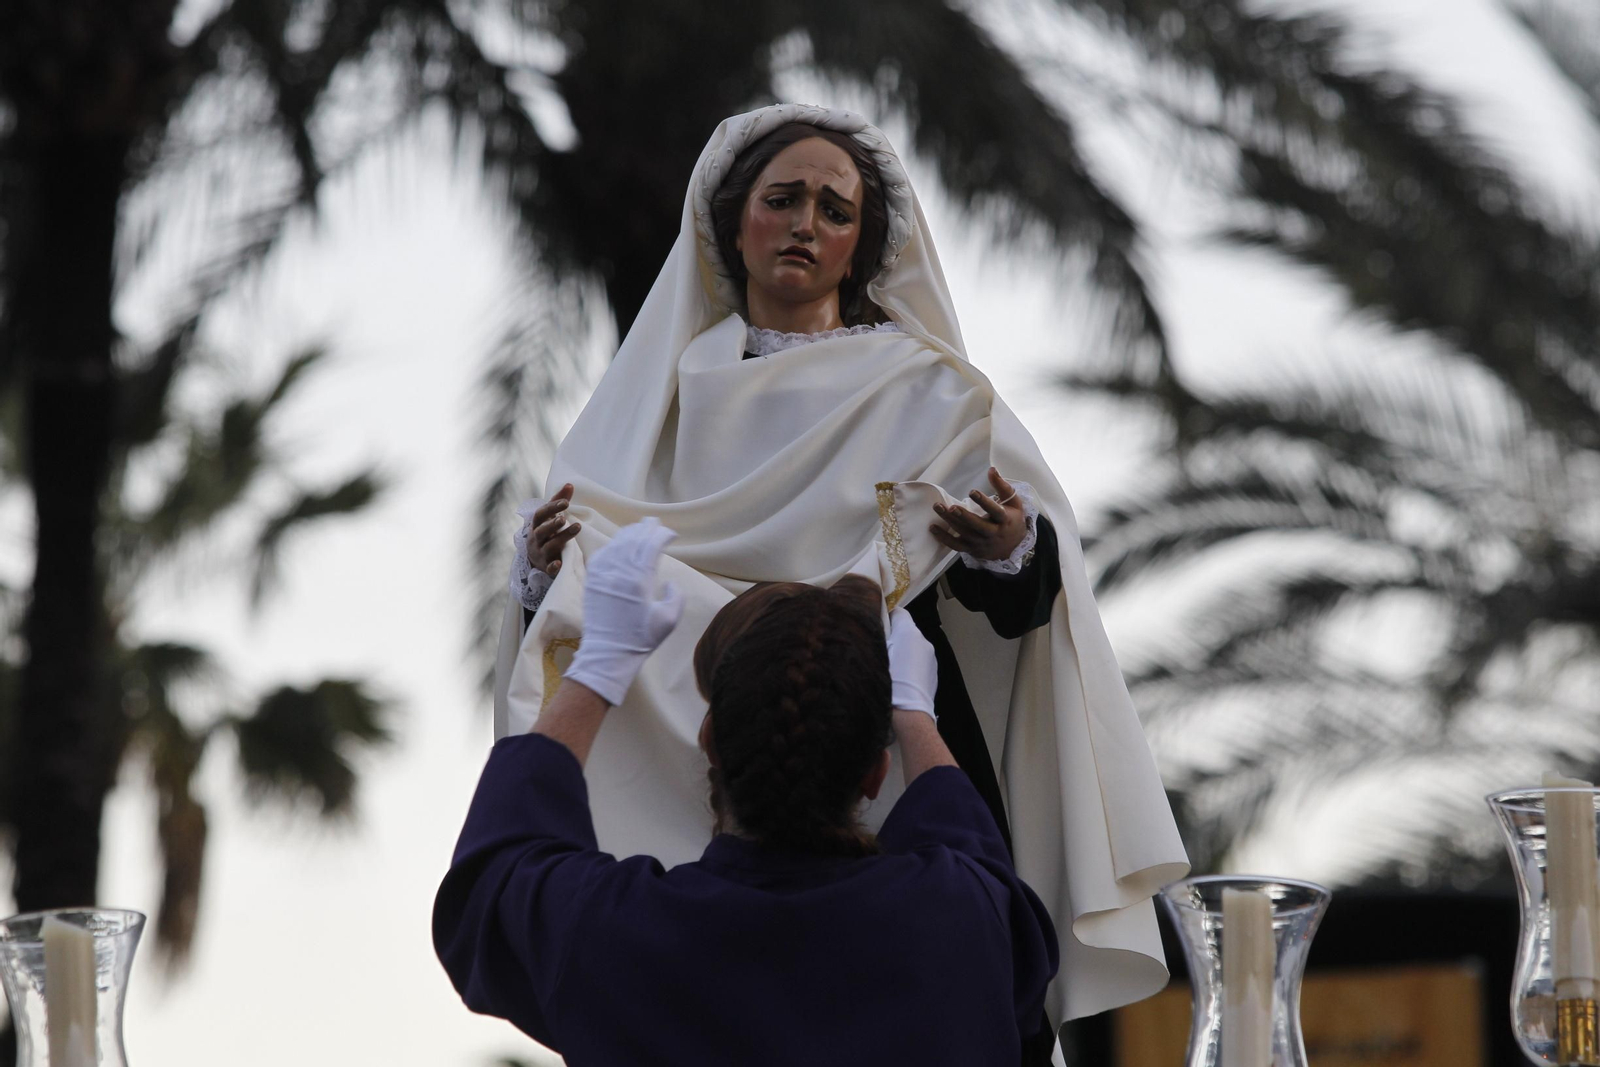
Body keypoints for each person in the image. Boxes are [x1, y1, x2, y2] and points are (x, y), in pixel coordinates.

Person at [492, 104, 1188, 1049]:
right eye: (782, 199)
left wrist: (1010, 552)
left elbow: (1022, 600)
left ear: (863, 245)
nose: (806, 223)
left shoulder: (931, 394)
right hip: (704, 758)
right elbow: (595, 562)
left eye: (834, 207)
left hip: (885, 754)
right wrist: (546, 581)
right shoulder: (650, 407)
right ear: (734, 222)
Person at [437, 519, 1060, 1063]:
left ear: (707, 738)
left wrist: (602, 662)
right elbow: (970, 851)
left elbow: (491, 886)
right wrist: (916, 715)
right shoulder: (958, 920)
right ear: (876, 772)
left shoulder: (616, 934)